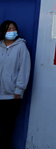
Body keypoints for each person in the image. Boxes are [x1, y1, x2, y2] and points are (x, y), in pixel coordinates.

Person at [0, 21, 30, 149]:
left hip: (11, 95)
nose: (12, 31)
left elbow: (24, 69)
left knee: (7, 125)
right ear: (3, 32)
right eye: (9, 29)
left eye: (14, 29)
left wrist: (19, 89)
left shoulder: (21, 47)